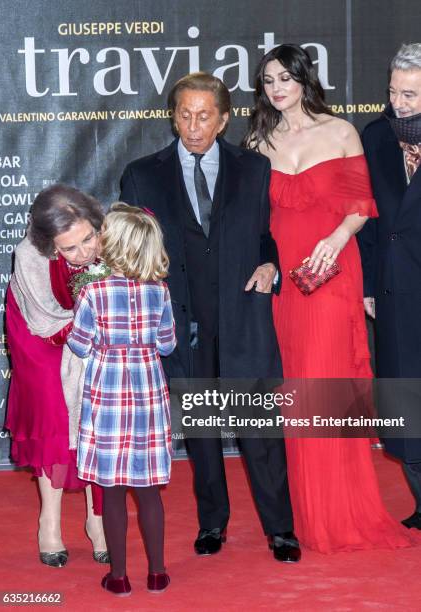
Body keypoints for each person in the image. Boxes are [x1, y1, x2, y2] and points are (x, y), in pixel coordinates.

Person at [119, 72, 301, 563]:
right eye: (184, 114)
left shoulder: (254, 168)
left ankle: (280, 529)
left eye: (204, 116)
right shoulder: (141, 174)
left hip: (243, 317)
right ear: (172, 115)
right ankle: (212, 524)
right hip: (182, 325)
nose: (192, 126)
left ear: (223, 120)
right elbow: (132, 253)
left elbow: (265, 235)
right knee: (201, 435)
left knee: (260, 431)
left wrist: (271, 264)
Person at [244, 43, 413, 552]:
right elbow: (256, 223)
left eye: (285, 78)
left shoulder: (340, 131)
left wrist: (336, 240)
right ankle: (308, 511)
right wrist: (269, 260)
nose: (277, 88)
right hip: (286, 284)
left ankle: (340, 512)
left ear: (304, 80)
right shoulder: (257, 140)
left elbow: (363, 205)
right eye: (268, 80)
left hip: (331, 272)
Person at [68, 204, 176, 596]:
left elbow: (79, 346)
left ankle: (118, 577)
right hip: (148, 397)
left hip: (107, 397)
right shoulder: (159, 290)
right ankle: (158, 573)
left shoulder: (94, 292)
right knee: (148, 491)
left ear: (110, 246)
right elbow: (167, 344)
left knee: (111, 491)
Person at [5, 184, 108, 566]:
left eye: (89, 239)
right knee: (53, 411)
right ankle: (49, 520)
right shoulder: (29, 256)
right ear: (51, 247)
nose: (84, 253)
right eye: (70, 249)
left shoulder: (110, 236)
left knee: (97, 408)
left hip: (91, 324)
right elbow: (46, 320)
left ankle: (97, 518)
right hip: (38, 330)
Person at [358, 43, 421, 531]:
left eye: (410, 94)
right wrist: (368, 283)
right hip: (395, 286)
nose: (397, 102)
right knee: (404, 394)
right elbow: (373, 218)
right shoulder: (376, 136)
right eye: (393, 91)